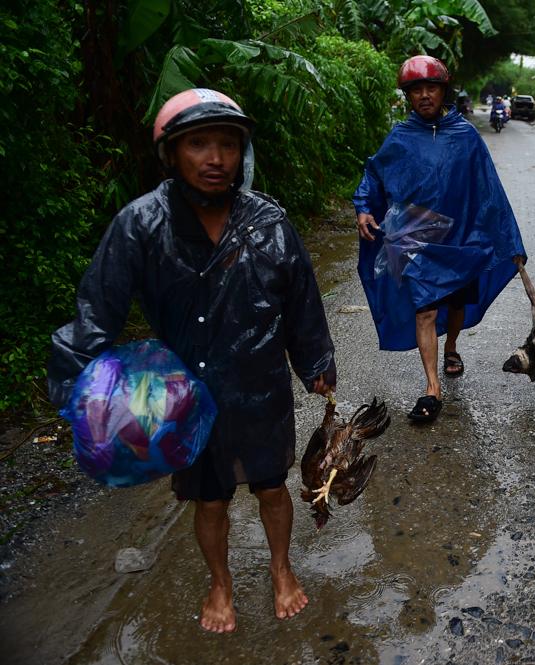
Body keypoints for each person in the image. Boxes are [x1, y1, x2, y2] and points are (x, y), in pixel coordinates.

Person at [48, 88, 336, 632]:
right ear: (171, 153)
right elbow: (97, 309)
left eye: (227, 144)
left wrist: (315, 358)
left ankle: (281, 569)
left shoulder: (269, 221)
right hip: (182, 394)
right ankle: (220, 584)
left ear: (241, 153)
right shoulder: (140, 224)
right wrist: (75, 391)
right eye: (198, 143)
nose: (215, 158)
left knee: (273, 485)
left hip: (261, 383)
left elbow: (301, 298)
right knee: (209, 499)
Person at [354, 56, 525, 423]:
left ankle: (452, 345)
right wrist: (364, 207)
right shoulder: (400, 136)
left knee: (456, 302)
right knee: (426, 308)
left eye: (431, 88)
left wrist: (509, 239)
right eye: (416, 90)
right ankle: (432, 389)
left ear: (443, 91)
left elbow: (489, 187)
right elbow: (374, 173)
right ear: (408, 96)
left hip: (459, 235)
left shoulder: (465, 136)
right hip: (413, 234)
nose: (424, 96)